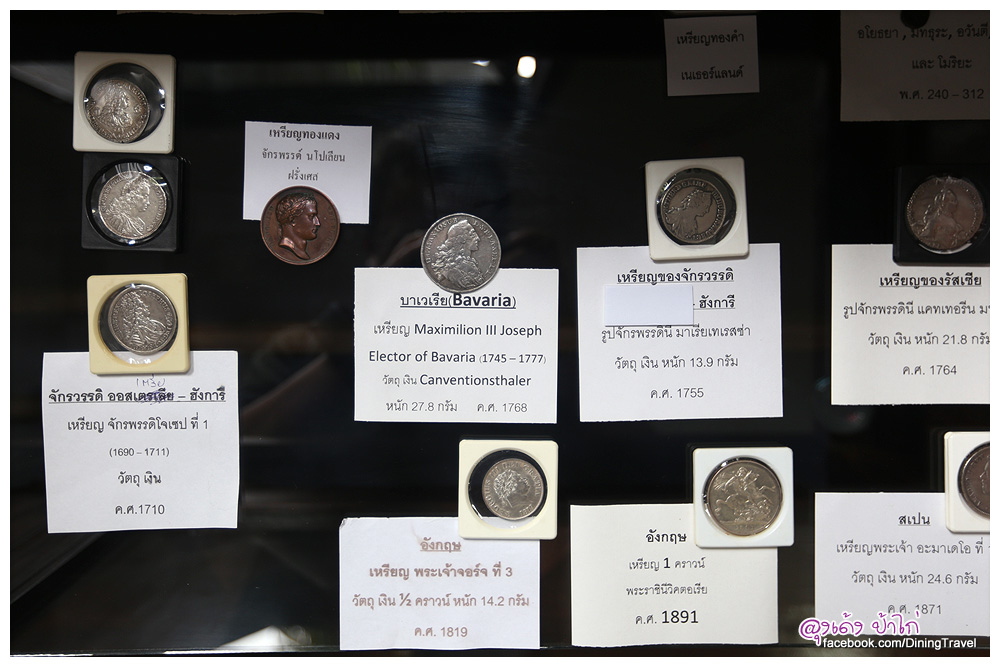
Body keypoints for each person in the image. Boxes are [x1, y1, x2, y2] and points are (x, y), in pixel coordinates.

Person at [429, 219, 483, 289]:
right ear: (461, 239)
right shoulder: (452, 270)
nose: (478, 238)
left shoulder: (469, 263)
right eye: (472, 234)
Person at [275, 192, 321, 260]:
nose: (317, 223)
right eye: (311, 216)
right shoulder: (287, 249)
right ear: (292, 220)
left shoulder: (301, 252)